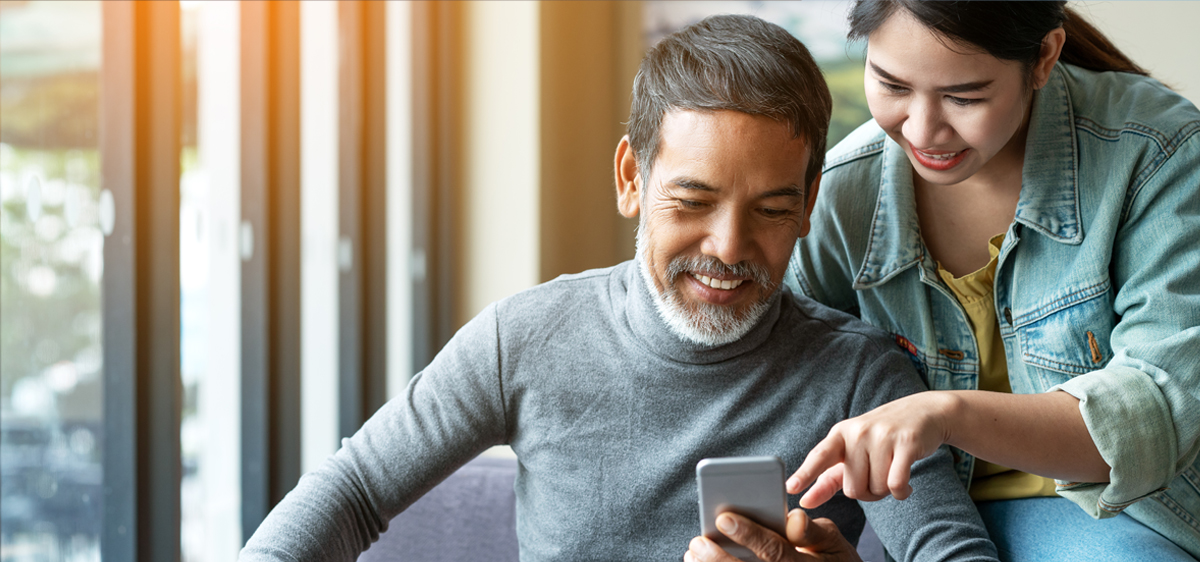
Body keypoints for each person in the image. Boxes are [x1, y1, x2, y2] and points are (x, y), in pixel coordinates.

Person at [240, 15, 1000, 562]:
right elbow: (358, 489)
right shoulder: (526, 339)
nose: (728, 249)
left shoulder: (860, 377)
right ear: (631, 179)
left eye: (770, 210)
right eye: (693, 202)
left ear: (807, 207)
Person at [779, 1, 1200, 560]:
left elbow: (1157, 411)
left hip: (1110, 510)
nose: (923, 130)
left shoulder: (1154, 152)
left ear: (1044, 56)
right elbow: (774, 378)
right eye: (892, 85)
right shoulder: (840, 197)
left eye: (965, 97)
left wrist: (948, 415)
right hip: (921, 510)